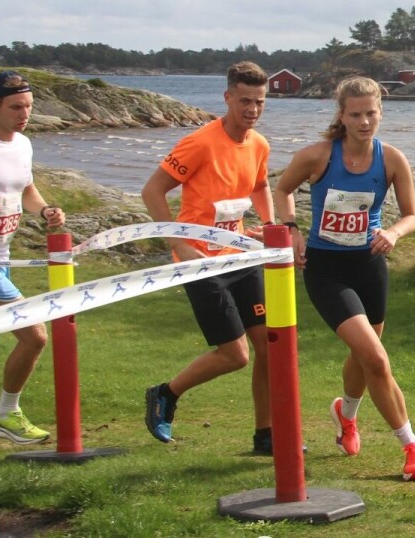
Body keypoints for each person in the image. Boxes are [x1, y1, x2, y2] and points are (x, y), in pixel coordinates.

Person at [274, 76, 415, 481]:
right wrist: (290, 229)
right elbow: (283, 189)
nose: (364, 122)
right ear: (341, 116)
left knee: (364, 357)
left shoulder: (392, 159)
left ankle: (346, 415)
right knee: (376, 357)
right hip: (326, 269)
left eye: (371, 113)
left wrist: (393, 232)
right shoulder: (318, 156)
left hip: (369, 266)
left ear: (381, 112)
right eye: (355, 114)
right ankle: (412, 447)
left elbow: (413, 214)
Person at [140, 61, 278, 454]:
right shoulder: (200, 142)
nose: (252, 110)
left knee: (269, 346)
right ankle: (165, 393)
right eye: (245, 101)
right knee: (235, 355)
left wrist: (268, 225)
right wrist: (179, 242)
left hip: (240, 259)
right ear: (228, 98)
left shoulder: (259, 144)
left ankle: (265, 436)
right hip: (200, 262)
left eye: (260, 102)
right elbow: (153, 191)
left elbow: (260, 185)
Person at [0, 71, 66, 450]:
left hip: (0, 256)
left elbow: (28, 190)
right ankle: (6, 415)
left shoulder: (22, 144)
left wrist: (45, 211)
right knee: (34, 335)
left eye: (29, 107)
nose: (25, 115)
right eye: (16, 107)